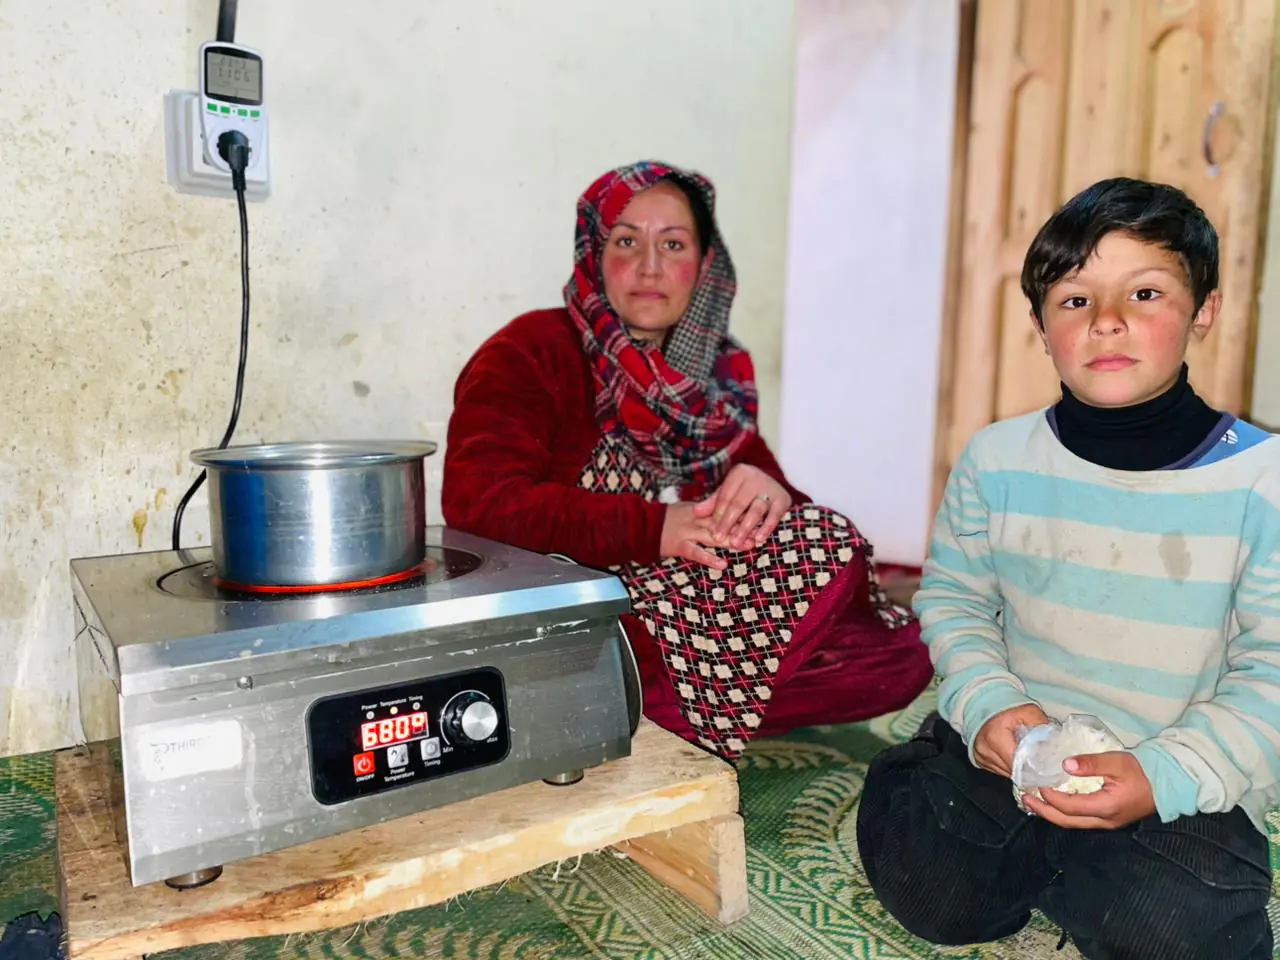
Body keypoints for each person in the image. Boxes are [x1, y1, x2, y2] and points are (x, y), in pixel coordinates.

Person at [856, 177, 1279, 959]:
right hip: (1018, 742)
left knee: (1181, 935)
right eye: (1076, 300)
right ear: (1040, 325)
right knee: (929, 889)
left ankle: (1089, 873)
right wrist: (988, 706)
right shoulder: (996, 460)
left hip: (1174, 765)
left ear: (1204, 310)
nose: (1107, 320)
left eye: (1145, 293)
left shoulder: (1262, 481)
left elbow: (1273, 674)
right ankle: (1041, 851)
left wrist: (1161, 775)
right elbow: (954, 601)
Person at [442, 160, 933, 757]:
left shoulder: (708, 373)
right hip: (579, 616)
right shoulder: (531, 350)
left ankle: (645, 710)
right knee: (825, 545)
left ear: (702, 265)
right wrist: (656, 528)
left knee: (903, 649)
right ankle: (625, 704)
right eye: (626, 241)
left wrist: (769, 489)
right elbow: (479, 503)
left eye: (672, 244)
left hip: (691, 620)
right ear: (593, 254)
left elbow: (782, 519)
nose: (649, 267)